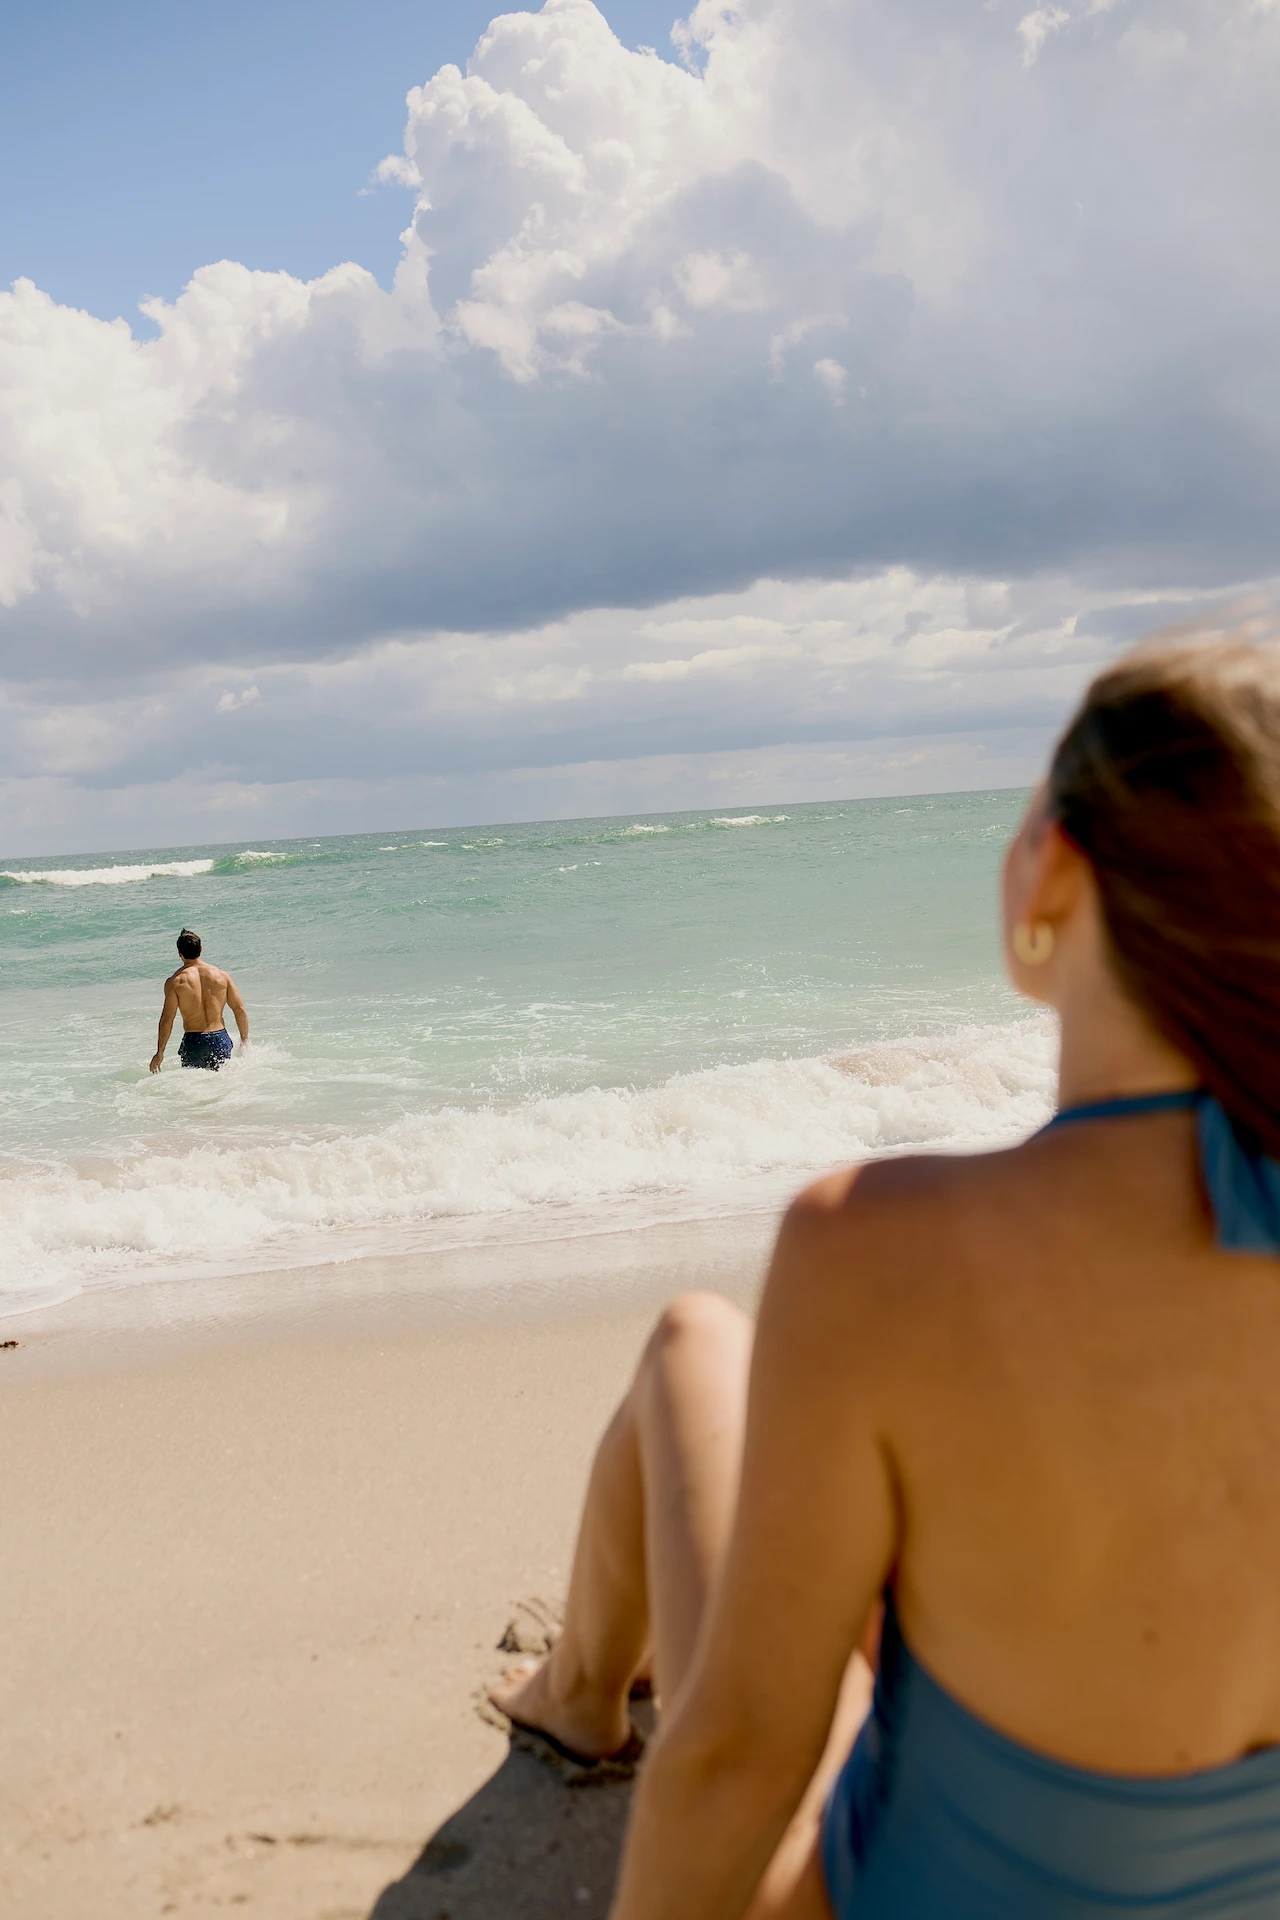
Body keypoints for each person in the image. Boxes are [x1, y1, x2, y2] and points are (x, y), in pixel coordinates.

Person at [488, 636, 1280, 1919]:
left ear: (1058, 867)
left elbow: (742, 1756)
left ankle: (576, 1701)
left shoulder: (885, 1245)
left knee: (695, 1341)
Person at [149, 928, 249, 1073]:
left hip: (194, 1041)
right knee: (223, 1084)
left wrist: (160, 1053)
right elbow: (238, 1009)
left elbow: (167, 1020)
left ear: (179, 954)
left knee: (194, 1088)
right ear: (201, 949)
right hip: (219, 1038)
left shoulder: (175, 982)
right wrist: (244, 1040)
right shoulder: (222, 976)